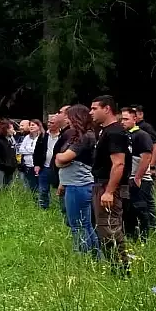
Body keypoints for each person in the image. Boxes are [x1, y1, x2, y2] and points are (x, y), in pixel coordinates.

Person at [90, 95, 132, 274]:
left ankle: (121, 270)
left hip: (109, 186)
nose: (91, 112)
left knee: (109, 228)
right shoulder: (106, 131)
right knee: (104, 226)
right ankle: (115, 265)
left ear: (107, 109)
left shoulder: (114, 132)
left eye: (94, 108)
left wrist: (109, 191)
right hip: (104, 184)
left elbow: (119, 164)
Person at [55, 105, 100, 258]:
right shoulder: (81, 135)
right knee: (86, 223)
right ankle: (95, 255)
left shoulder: (84, 137)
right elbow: (60, 160)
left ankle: (82, 255)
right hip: (76, 183)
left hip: (78, 185)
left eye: (70, 117)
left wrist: (60, 159)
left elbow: (63, 157)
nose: (67, 119)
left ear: (77, 118)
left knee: (78, 224)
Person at [121, 107, 156, 241]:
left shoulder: (141, 135)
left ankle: (144, 236)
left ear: (134, 119)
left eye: (126, 119)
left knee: (141, 207)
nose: (123, 122)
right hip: (126, 179)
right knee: (128, 209)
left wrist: (138, 177)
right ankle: (131, 235)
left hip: (140, 179)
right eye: (121, 119)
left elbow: (146, 157)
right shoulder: (124, 135)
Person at [34, 114, 63, 210]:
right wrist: (37, 164)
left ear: (58, 124)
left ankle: (62, 209)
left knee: (60, 190)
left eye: (52, 123)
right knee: (43, 190)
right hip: (44, 167)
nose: (49, 124)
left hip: (57, 168)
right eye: (48, 122)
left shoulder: (62, 136)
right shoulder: (43, 135)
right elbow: (37, 151)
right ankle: (43, 208)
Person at [0, 119, 17, 197]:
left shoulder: (11, 140)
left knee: (7, 187)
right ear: (6, 129)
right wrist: (2, 164)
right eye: (12, 128)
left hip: (10, 168)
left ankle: (5, 202)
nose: (13, 130)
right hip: (0, 167)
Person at [18, 119, 42, 193]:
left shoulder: (41, 137)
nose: (31, 127)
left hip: (38, 166)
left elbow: (39, 150)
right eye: (30, 125)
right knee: (32, 187)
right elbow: (21, 150)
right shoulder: (27, 137)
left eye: (33, 125)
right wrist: (32, 150)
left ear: (38, 126)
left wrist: (28, 149)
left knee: (40, 186)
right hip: (28, 165)